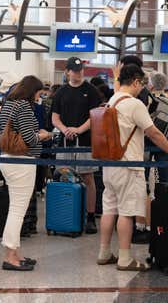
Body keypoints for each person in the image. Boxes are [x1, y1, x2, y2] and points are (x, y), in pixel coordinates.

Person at [98, 64, 168, 272]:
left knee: (109, 209)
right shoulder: (134, 104)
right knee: (127, 213)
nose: (143, 88)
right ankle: (125, 258)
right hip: (129, 165)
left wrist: (116, 75)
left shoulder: (114, 99)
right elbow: (153, 133)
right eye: (142, 83)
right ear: (136, 82)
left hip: (110, 164)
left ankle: (104, 253)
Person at [0, 76, 52, 271]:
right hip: (22, 161)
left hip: (7, 158)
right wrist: (44, 135)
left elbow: (0, 128)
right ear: (32, 91)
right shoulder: (24, 107)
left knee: (15, 207)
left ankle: (15, 252)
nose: (39, 98)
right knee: (18, 210)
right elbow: (29, 137)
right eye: (38, 94)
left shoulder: (7, 105)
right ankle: (10, 256)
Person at [51, 57, 102, 234]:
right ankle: (64, 213)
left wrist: (79, 130)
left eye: (80, 70)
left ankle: (90, 217)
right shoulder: (60, 93)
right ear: (67, 72)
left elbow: (94, 116)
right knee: (63, 175)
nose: (78, 73)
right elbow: (55, 117)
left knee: (88, 177)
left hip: (86, 141)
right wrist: (65, 130)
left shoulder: (91, 91)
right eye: (74, 70)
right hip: (65, 141)